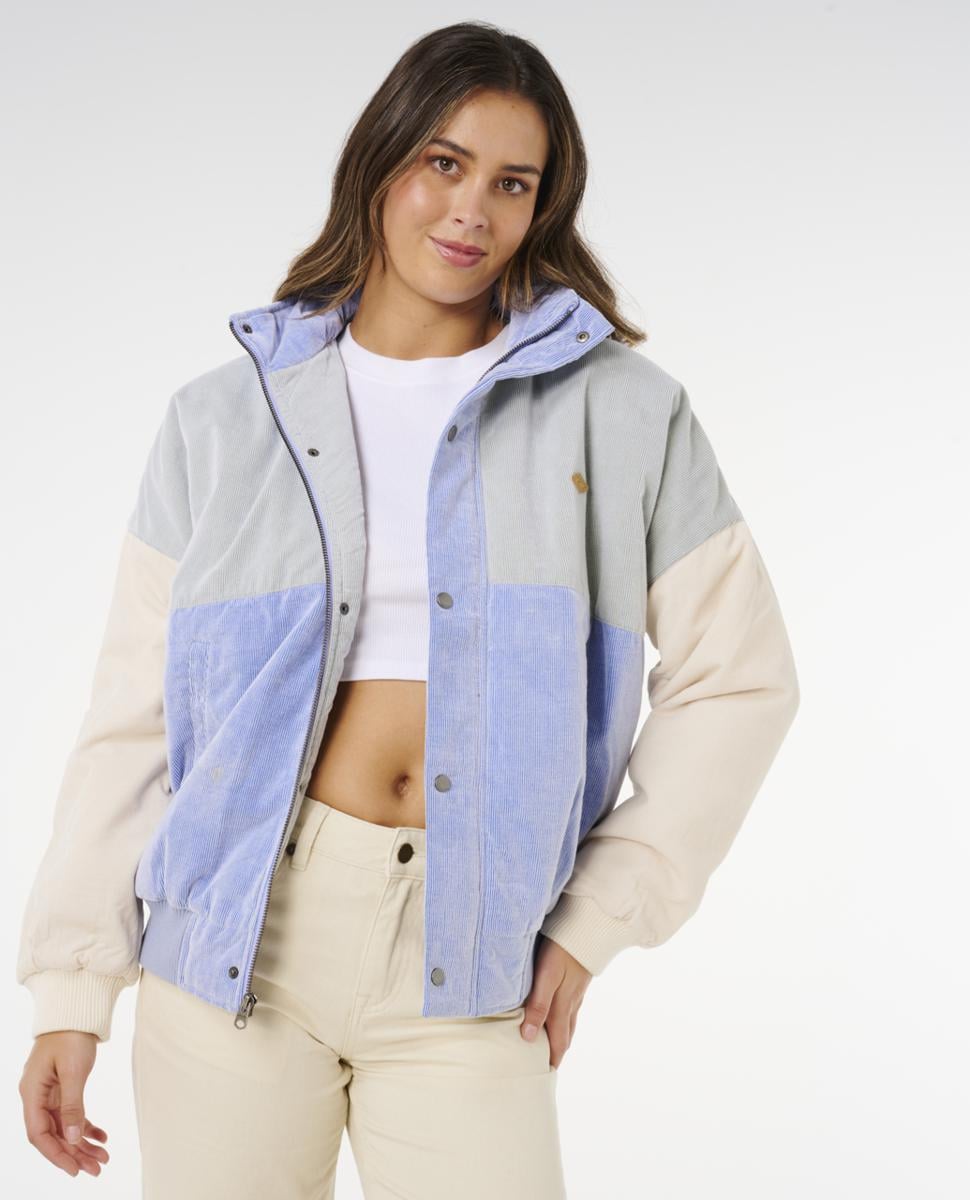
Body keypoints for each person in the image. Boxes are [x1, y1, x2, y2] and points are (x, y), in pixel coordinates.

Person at [16, 19, 800, 1199]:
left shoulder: (621, 412)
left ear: (542, 207)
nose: (471, 210)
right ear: (381, 161)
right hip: (232, 945)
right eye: (444, 163)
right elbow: (134, 714)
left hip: (472, 954)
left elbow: (740, 679)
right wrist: (73, 990)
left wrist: (595, 917)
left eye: (511, 183)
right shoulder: (223, 418)